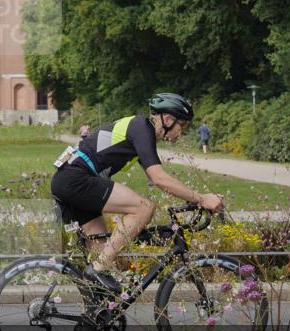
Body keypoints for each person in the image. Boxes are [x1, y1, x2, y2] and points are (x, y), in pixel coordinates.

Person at [50, 93, 224, 294]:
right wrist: (202, 199)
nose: (181, 132)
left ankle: (96, 316)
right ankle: (97, 270)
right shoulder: (142, 128)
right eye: (182, 126)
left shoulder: (139, 130)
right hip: (76, 179)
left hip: (71, 179)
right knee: (144, 208)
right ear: (168, 119)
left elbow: (156, 177)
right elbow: (159, 178)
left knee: (101, 256)